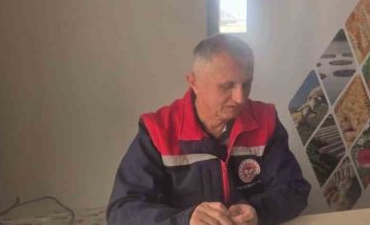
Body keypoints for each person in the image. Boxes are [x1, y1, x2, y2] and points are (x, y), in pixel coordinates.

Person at [107, 34, 311, 225]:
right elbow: (122, 210)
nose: (240, 98)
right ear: (194, 83)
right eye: (226, 86)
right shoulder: (158, 130)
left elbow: (294, 189)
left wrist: (257, 210)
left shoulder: (265, 120)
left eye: (246, 84)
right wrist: (185, 220)